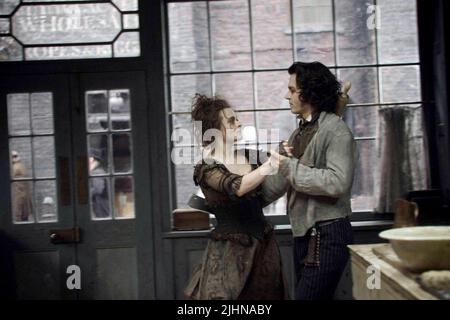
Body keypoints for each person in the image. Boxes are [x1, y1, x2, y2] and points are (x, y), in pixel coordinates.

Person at [263, 61, 358, 300]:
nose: (287, 96)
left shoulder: (336, 130)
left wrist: (289, 166)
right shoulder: (299, 133)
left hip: (327, 233)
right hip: (306, 234)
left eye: (293, 90)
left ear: (310, 92)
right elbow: (276, 187)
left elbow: (337, 183)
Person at [184, 94, 288, 300]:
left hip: (263, 250)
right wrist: (270, 165)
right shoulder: (207, 168)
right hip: (229, 256)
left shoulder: (251, 156)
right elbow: (238, 187)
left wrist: (283, 153)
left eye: (237, 119)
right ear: (215, 130)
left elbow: (267, 185)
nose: (239, 123)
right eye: (231, 121)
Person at [10, 150, 33, 222]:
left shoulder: (14, 168)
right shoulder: (21, 166)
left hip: (19, 196)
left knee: (19, 217)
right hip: (24, 195)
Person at [89, 148, 110, 218]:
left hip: (101, 207)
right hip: (101, 206)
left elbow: (98, 189)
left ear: (91, 159)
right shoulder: (97, 171)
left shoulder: (97, 172)